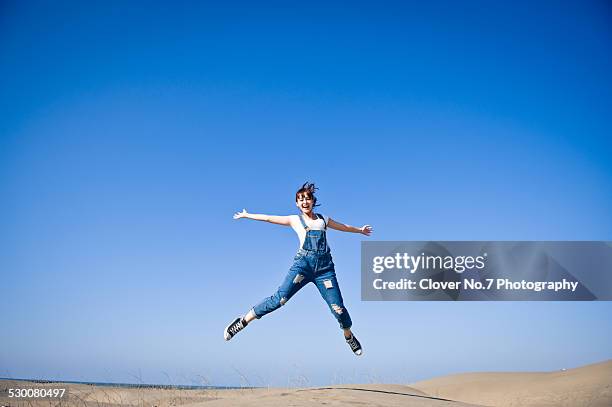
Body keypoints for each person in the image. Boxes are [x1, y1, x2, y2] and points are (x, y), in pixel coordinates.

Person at [223, 182, 372, 356]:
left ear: (313, 201)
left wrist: (360, 230)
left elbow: (343, 227)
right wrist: (248, 215)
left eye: (307, 198)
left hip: (325, 270)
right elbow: (269, 217)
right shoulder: (295, 220)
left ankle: (348, 335)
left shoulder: (324, 219)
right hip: (302, 266)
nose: (304, 202)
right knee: (280, 299)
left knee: (339, 309)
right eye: (300, 199)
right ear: (297, 204)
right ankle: (242, 321)